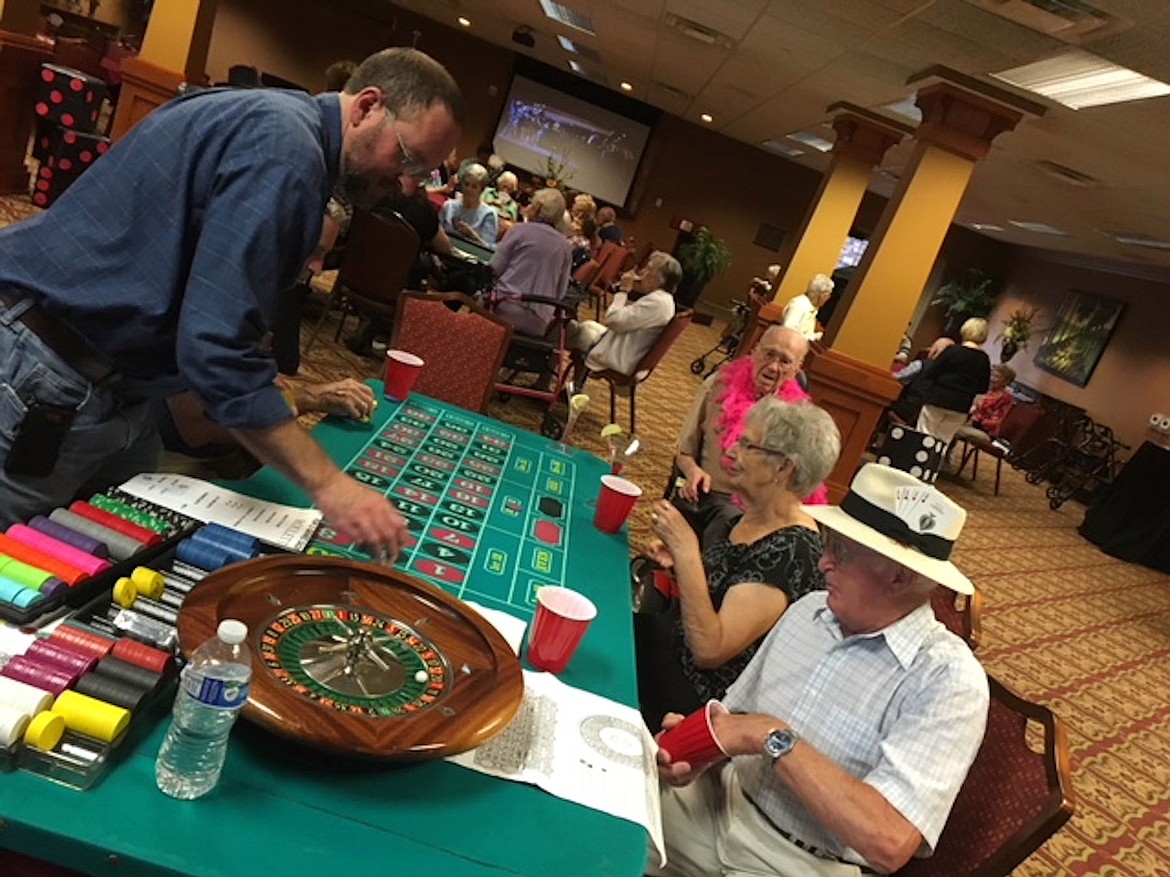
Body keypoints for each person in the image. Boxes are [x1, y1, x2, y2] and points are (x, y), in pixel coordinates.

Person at [0, 47, 463, 560]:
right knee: (15, 580)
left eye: (426, 174)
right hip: (45, 370)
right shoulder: (287, 149)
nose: (407, 185)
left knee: (101, 570)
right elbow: (217, 348)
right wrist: (333, 487)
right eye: (408, 158)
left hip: (121, 389)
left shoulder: (279, 121)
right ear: (366, 107)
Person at [652, 463, 989, 877]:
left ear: (899, 576)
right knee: (593, 813)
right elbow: (737, 719)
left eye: (842, 551)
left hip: (806, 863)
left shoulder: (947, 680)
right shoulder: (810, 609)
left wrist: (770, 736)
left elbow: (887, 840)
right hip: (722, 801)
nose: (824, 562)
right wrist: (700, 751)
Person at [636, 397, 840, 730]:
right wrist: (681, 565)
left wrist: (689, 553)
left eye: (747, 445)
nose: (731, 451)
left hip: (702, 702)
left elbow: (710, 649)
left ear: (783, 468)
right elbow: (719, 591)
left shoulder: (794, 550)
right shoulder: (750, 517)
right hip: (673, 646)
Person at [676, 325, 827, 535]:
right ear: (755, 351)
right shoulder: (718, 386)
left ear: (797, 369)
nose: (773, 367)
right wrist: (693, 471)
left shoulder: (796, 420)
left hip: (754, 510)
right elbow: (684, 452)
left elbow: (798, 487)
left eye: (785, 361)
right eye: (769, 354)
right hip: (706, 493)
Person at [159, 378, 378, 480]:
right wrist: (307, 398)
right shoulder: (194, 306)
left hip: (239, 448)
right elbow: (197, 431)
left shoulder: (266, 295)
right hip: (175, 457)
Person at [568, 251, 681, 378]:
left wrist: (623, 291)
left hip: (619, 356)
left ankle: (549, 382)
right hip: (625, 349)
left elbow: (612, 320)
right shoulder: (664, 300)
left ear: (660, 279)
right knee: (587, 326)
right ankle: (573, 387)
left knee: (565, 330)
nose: (642, 272)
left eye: (648, 269)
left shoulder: (657, 302)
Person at [489, 188, 573, 338]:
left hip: (505, 308)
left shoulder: (519, 230)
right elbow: (560, 293)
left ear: (538, 207)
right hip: (539, 320)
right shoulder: (566, 247)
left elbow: (494, 268)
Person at [916, 318, 992, 445]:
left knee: (924, 434)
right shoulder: (984, 359)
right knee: (943, 440)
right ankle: (932, 464)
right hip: (961, 405)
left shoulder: (952, 351)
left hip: (938, 398)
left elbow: (932, 372)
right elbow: (983, 388)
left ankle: (915, 462)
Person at [439, 162, 498, 248]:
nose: (468, 189)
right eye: (466, 184)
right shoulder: (449, 206)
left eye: (474, 186)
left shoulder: (489, 214)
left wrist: (471, 235)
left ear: (482, 190)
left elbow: (487, 250)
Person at [780, 273, 835, 341]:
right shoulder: (799, 305)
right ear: (822, 295)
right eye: (828, 295)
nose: (828, 298)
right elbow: (788, 333)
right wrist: (814, 337)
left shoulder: (810, 307)